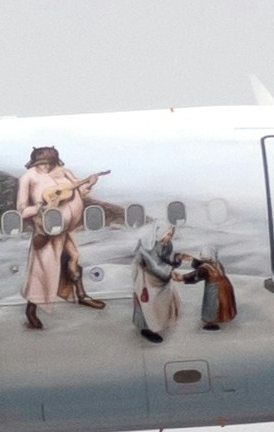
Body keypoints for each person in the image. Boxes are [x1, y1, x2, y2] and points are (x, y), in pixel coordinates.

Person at [16, 146, 112, 330]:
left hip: (64, 230)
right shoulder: (27, 177)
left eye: (49, 163)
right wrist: (42, 207)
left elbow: (79, 191)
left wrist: (90, 182)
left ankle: (82, 296)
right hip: (46, 231)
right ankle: (31, 311)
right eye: (41, 164)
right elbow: (22, 210)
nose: (45, 167)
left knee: (74, 259)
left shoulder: (64, 172)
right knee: (41, 271)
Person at [132, 225, 188, 343]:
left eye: (171, 234)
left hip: (159, 276)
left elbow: (167, 258)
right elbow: (154, 265)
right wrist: (170, 272)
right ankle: (146, 328)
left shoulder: (166, 244)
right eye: (168, 234)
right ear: (160, 234)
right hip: (146, 277)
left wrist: (178, 258)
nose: (169, 237)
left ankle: (161, 322)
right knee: (148, 303)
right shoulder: (146, 247)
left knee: (164, 298)